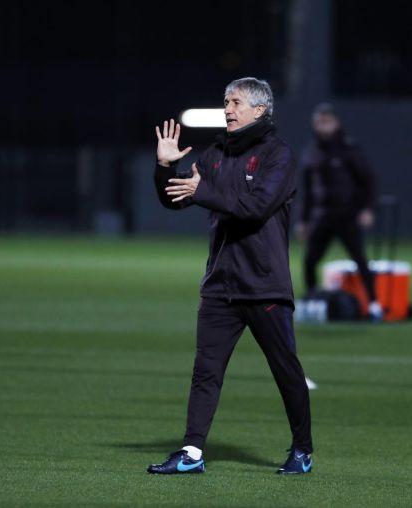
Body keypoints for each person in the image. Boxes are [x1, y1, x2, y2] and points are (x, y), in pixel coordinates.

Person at [147, 77, 313, 474]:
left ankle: (303, 449)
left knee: (285, 369)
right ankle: (191, 453)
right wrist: (165, 166)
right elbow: (176, 198)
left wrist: (202, 191)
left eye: (236, 102)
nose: (228, 109)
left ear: (259, 109)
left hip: (264, 284)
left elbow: (254, 208)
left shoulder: (278, 155)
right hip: (220, 285)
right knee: (206, 371)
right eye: (226, 101)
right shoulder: (217, 152)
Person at [295, 103, 382, 320]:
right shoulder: (311, 152)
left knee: (361, 260)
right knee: (309, 261)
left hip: (347, 215)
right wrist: (303, 221)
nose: (323, 126)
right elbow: (307, 192)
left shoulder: (349, 148)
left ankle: (374, 305)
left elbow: (368, 180)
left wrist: (367, 209)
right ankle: (313, 302)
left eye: (327, 121)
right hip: (322, 217)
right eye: (319, 122)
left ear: (335, 123)